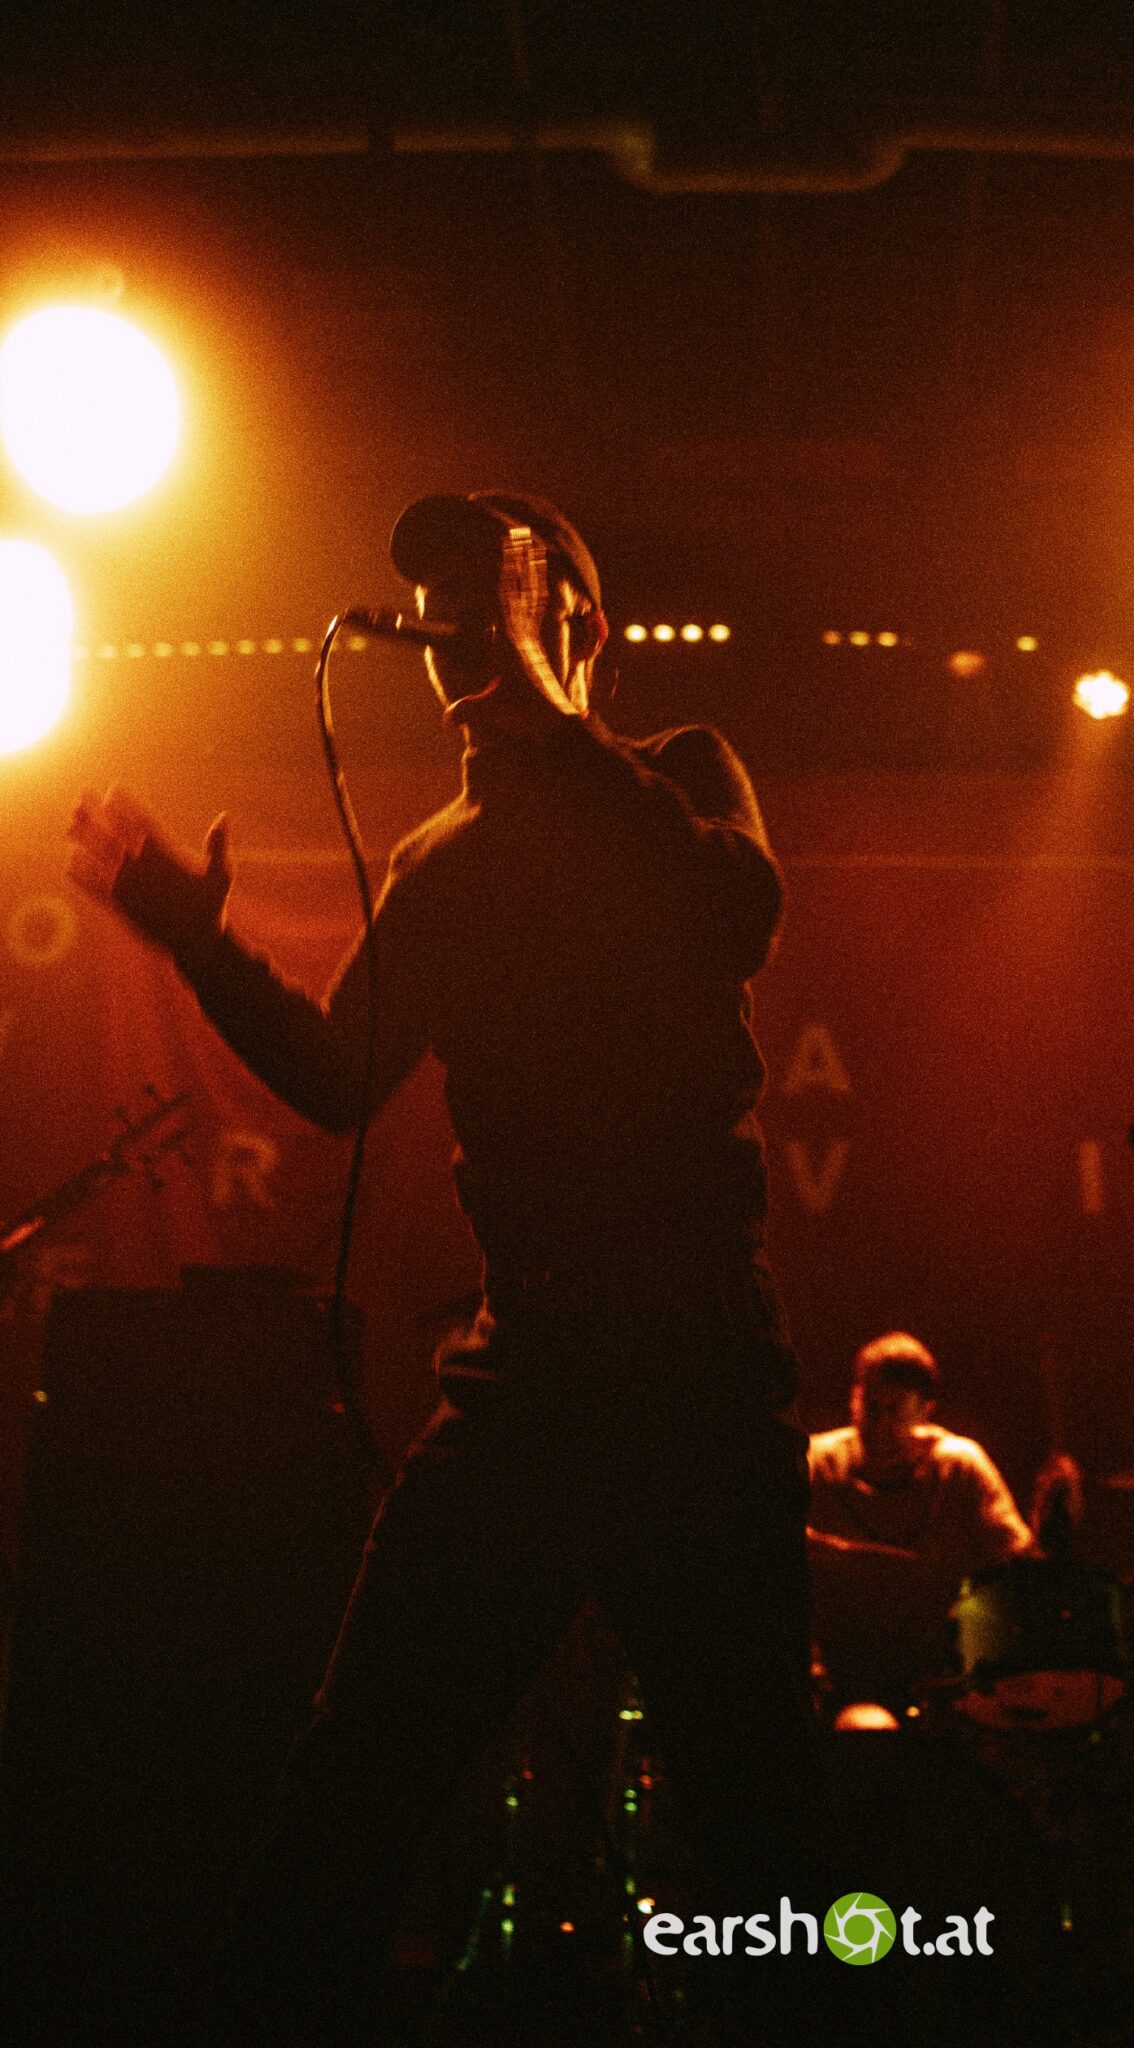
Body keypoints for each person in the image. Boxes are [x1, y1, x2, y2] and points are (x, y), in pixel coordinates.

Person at [67, 491, 817, 2045]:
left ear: (576, 626)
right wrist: (195, 938)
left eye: (498, 592)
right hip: (526, 1378)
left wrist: (555, 731)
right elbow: (341, 1076)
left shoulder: (679, 775)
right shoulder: (439, 858)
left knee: (756, 1817)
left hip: (689, 1359)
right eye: (441, 602)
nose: (456, 622)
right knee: (351, 1784)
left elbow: (733, 913)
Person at [805, 1330, 1036, 1714]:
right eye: (870, 1408)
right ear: (853, 1398)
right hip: (837, 1671)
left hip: (942, 1675)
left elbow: (1018, 1563)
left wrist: (1051, 1525)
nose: (880, 1426)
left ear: (925, 1411)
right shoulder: (816, 1463)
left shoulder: (960, 1467)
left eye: (895, 1411)